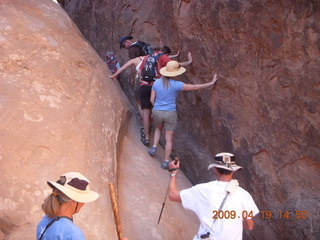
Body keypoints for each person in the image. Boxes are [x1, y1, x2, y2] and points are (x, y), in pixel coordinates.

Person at [168, 152, 259, 240]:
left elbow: (172, 195)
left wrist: (173, 172)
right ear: (234, 170)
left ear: (215, 169)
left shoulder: (203, 190)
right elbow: (249, 226)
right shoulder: (244, 195)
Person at [148, 60, 218, 169]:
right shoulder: (176, 84)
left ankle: (154, 147)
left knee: (157, 129)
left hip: (157, 110)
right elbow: (194, 87)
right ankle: (166, 161)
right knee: (169, 138)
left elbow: (152, 99)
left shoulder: (156, 82)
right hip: (170, 113)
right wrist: (210, 83)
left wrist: (157, 107)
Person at [138, 49, 193, 147]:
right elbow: (174, 65)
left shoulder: (147, 57)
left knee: (146, 113)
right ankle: (149, 130)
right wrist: (188, 62)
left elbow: (139, 70)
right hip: (154, 86)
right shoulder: (162, 57)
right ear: (166, 53)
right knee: (152, 111)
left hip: (144, 86)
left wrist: (141, 82)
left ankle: (146, 137)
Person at [36, 172, 99, 240]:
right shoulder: (73, 234)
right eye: (83, 200)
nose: (84, 204)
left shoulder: (45, 220)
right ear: (74, 201)